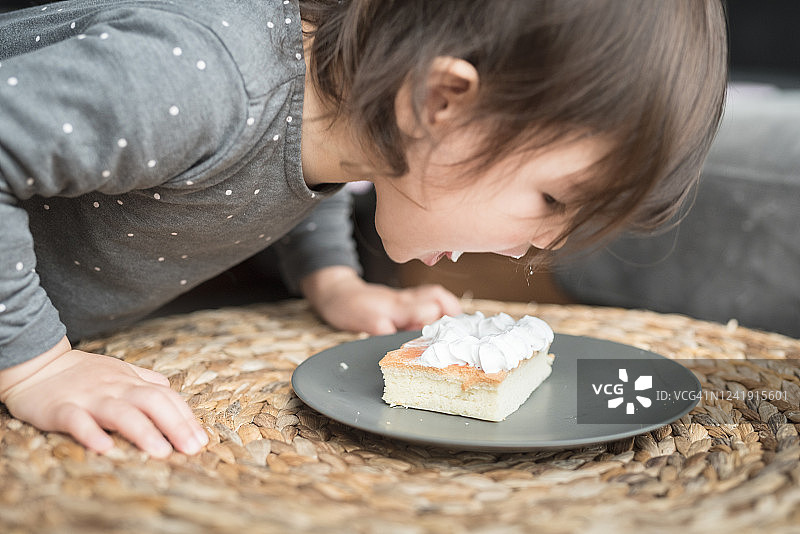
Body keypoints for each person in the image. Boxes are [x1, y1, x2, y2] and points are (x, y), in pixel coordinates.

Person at [0, 0, 727, 458]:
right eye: (551, 200)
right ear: (443, 102)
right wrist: (35, 364)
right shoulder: (200, 76)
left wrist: (332, 279)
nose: (545, 246)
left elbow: (288, 170)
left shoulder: (339, 114)